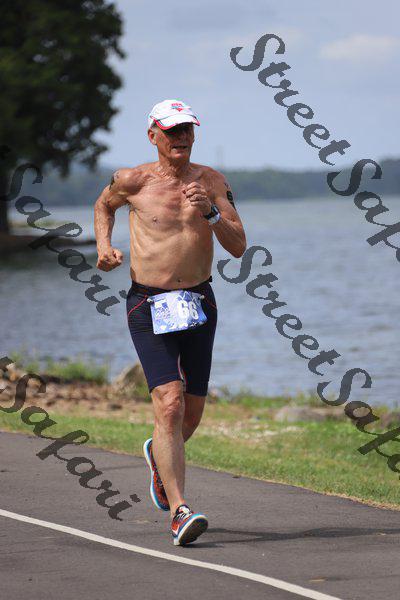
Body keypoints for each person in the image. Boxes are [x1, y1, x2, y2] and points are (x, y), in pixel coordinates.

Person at [94, 99, 246, 546]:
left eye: (186, 129)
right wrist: (104, 247)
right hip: (149, 302)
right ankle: (180, 511)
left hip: (198, 300)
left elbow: (239, 246)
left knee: (191, 411)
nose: (181, 137)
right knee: (170, 403)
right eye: (171, 130)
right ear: (153, 136)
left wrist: (211, 213)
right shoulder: (131, 180)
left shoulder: (212, 182)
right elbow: (103, 206)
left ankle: (158, 457)